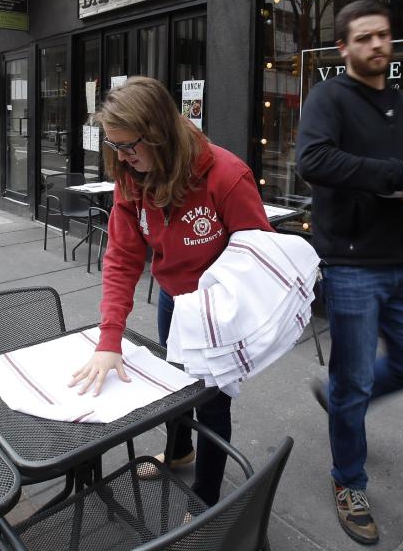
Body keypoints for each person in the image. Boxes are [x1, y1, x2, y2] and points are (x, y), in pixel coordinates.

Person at [69, 76, 273, 507]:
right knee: (174, 387)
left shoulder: (227, 176)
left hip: (219, 312)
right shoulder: (131, 177)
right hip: (172, 299)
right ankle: (180, 451)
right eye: (114, 147)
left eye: (129, 147)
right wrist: (110, 340)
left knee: (213, 407)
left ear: (159, 135)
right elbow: (122, 259)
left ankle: (205, 500)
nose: (122, 159)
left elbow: (261, 257)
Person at [296, 0, 403, 546]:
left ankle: (340, 399)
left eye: (383, 36)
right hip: (352, 263)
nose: (377, 45)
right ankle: (348, 482)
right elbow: (312, 162)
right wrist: (396, 173)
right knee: (354, 381)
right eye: (364, 38)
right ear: (343, 47)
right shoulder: (328, 97)